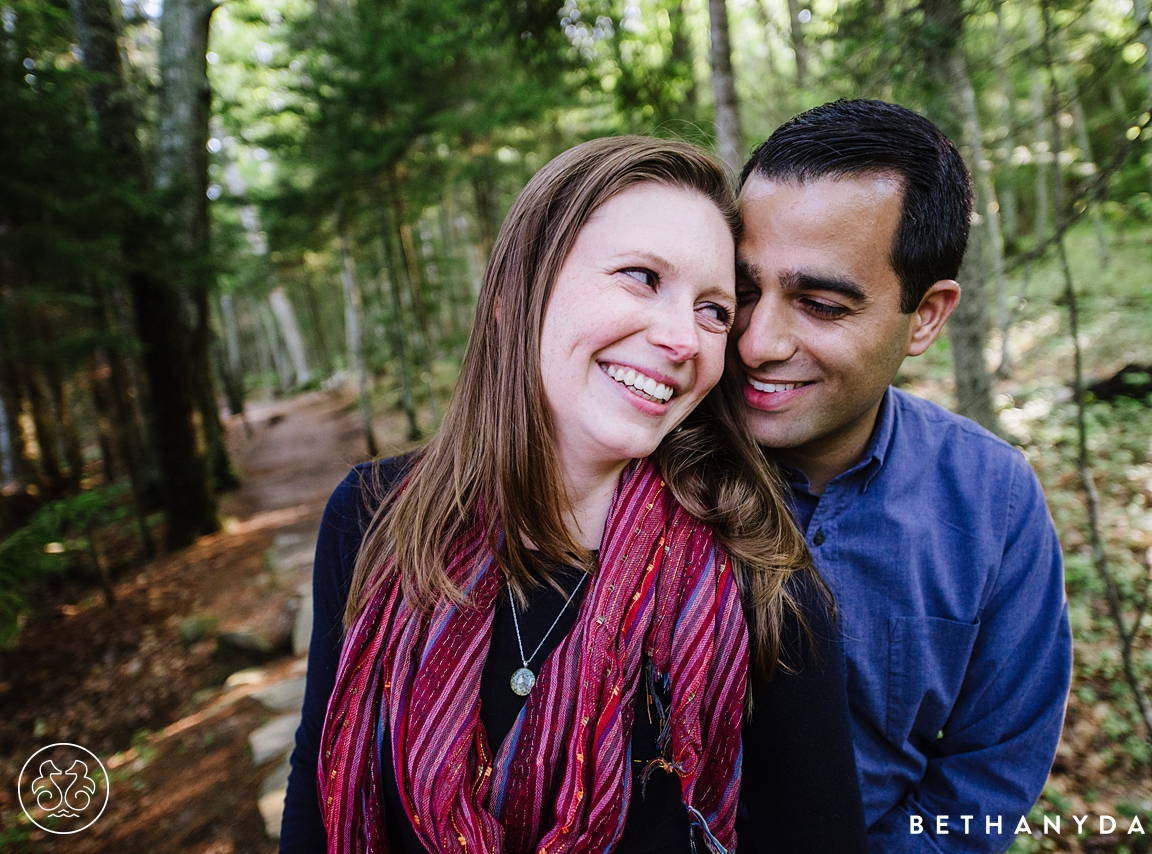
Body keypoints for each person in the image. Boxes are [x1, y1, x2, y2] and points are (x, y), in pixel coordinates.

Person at [279, 135, 866, 854]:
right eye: (642, 276)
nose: (684, 337)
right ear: (515, 291)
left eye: (715, 310)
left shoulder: (762, 588)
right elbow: (319, 780)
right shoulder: (374, 517)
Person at [730, 99, 1072, 853]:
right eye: (745, 290)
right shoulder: (643, 467)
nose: (756, 343)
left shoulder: (993, 501)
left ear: (925, 317)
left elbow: (990, 769)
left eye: (819, 304)